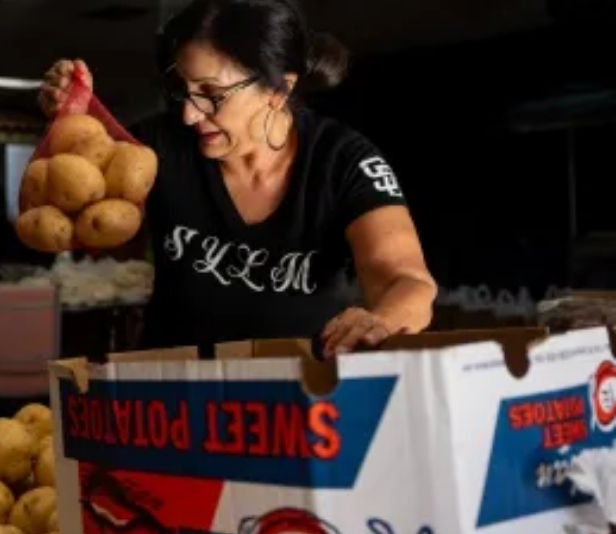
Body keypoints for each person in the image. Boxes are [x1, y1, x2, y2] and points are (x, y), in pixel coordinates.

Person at [39, 0, 436, 357]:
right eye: (184, 91)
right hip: (172, 401)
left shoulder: (342, 160)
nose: (190, 115)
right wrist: (72, 125)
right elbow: (73, 222)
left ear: (279, 89)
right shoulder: (157, 147)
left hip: (297, 401)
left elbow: (405, 279)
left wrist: (381, 320)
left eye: (211, 94)